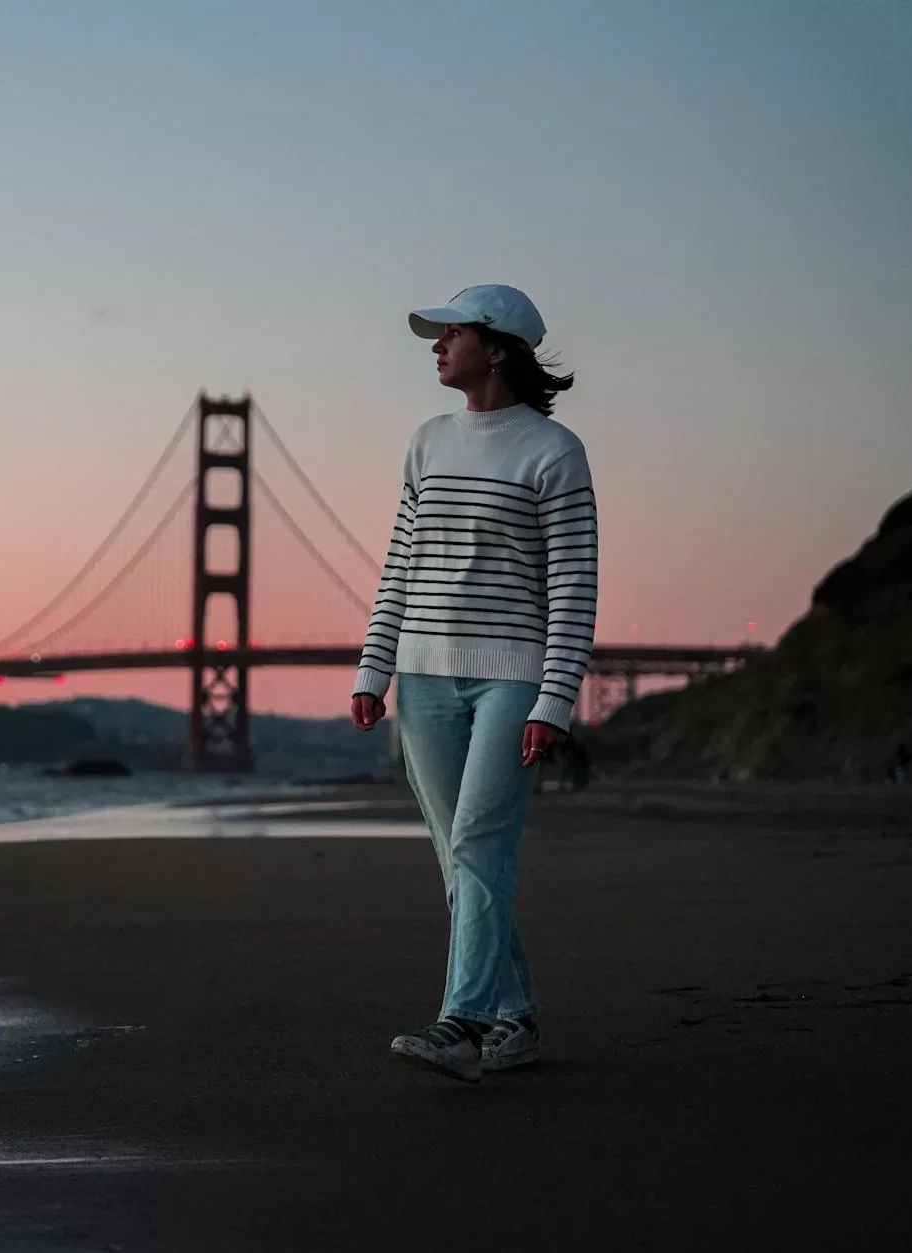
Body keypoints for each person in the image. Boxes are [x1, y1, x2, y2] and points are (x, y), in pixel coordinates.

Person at [350, 285, 598, 1082]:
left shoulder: (554, 453)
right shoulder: (426, 442)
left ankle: (461, 1023)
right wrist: (374, 666)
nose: (436, 344)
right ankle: (515, 1018)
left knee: (481, 845)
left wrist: (555, 698)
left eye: (450, 331)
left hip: (512, 682)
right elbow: (401, 565)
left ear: (497, 348)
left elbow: (573, 585)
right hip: (422, 676)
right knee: (459, 857)